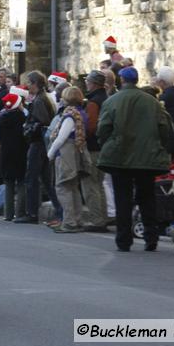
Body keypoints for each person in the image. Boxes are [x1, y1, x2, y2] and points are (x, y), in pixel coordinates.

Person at [96, 66, 174, 252]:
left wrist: (108, 143)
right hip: (146, 156)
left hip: (120, 155)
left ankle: (123, 239)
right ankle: (151, 237)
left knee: (122, 198)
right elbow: (165, 128)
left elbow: (103, 128)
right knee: (147, 197)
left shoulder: (112, 101)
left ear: (122, 80)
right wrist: (160, 146)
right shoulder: (152, 102)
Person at [47, 87, 92, 233]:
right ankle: (77, 220)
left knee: (63, 187)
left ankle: (69, 222)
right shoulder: (81, 113)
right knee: (73, 188)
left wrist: (50, 153)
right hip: (76, 154)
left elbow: (61, 138)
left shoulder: (70, 115)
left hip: (66, 155)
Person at [14, 71, 55, 224]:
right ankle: (58, 211)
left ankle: (32, 213)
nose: (28, 86)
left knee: (32, 178)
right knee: (45, 179)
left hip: (38, 143)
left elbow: (43, 122)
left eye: (30, 83)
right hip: (41, 143)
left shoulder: (39, 100)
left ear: (35, 83)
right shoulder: (42, 98)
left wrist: (29, 127)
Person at [81, 71, 110, 231]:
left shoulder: (93, 102)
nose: (86, 83)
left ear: (93, 83)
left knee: (90, 185)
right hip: (102, 147)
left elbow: (90, 127)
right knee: (98, 184)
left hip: (92, 147)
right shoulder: (105, 98)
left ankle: (96, 220)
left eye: (87, 81)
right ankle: (102, 217)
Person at [0, 89, 29, 221]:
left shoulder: (1, 118)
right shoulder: (23, 117)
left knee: (9, 183)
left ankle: (8, 213)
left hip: (6, 152)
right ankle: (20, 212)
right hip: (20, 152)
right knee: (21, 182)